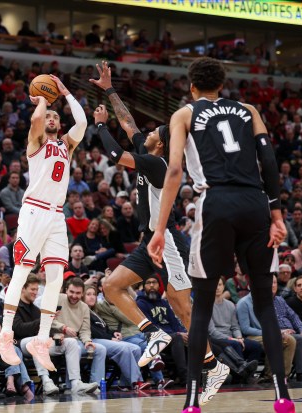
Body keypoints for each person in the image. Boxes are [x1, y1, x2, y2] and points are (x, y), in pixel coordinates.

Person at [147, 57, 292, 413]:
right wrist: (276, 213)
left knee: (202, 308)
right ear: (222, 86)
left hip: (216, 202)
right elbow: (269, 162)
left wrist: (160, 228)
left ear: (192, 87)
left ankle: (193, 400)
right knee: (264, 303)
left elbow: (176, 169)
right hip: (255, 202)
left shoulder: (184, 113)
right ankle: (282, 395)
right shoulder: (249, 110)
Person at [90, 60, 226, 403]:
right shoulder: (149, 153)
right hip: (147, 242)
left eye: (153, 132)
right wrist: (109, 89)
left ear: (160, 144)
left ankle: (212, 365)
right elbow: (129, 121)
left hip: (167, 242)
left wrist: (99, 125)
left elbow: (112, 152)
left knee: (182, 308)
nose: (146, 131)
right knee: (111, 285)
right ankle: (154, 334)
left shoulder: (154, 163)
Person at [0, 75, 87, 371]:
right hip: (33, 211)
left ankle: (42, 340)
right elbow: (35, 119)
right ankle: (5, 335)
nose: (50, 118)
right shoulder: (35, 143)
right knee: (21, 272)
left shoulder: (66, 146)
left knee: (56, 278)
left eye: (55, 117)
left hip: (56, 215)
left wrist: (66, 94)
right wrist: (44, 100)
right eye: (48, 116)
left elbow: (83, 124)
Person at [13, 274, 98, 395]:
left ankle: (75, 383)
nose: (35, 292)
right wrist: (44, 320)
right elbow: (19, 329)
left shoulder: (36, 309)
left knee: (71, 342)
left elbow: (46, 329)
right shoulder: (13, 306)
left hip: (42, 344)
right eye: (32, 289)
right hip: (22, 344)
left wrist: (57, 335)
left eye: (37, 289)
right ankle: (46, 381)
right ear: (23, 288)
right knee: (38, 341)